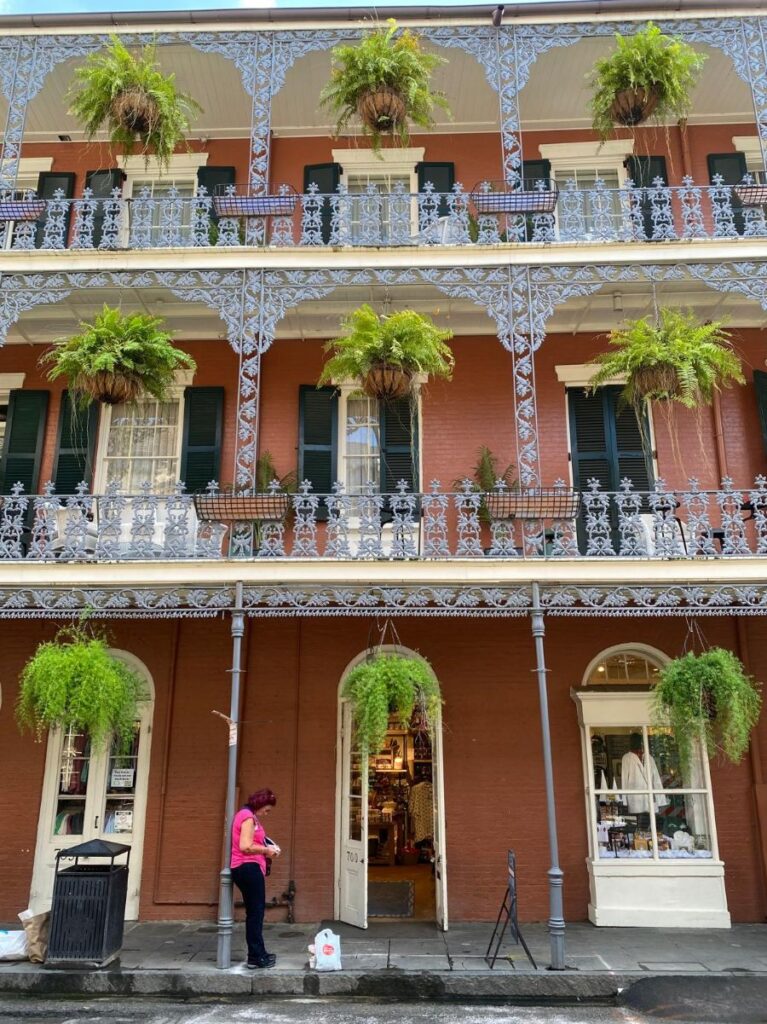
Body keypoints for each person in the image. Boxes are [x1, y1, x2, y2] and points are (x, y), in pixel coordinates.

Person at [230, 788, 281, 969]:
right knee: (255, 913)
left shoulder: (247, 816)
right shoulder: (248, 818)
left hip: (246, 868)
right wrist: (267, 850)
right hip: (248, 867)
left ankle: (259, 953)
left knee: (255, 912)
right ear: (259, 804)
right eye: (266, 810)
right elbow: (245, 846)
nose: (267, 813)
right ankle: (256, 957)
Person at [620, 733, 669, 822]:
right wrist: (625, 801)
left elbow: (656, 778)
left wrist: (660, 798)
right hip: (635, 797)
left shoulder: (648, 757)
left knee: (651, 822)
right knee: (639, 821)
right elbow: (624, 780)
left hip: (649, 795)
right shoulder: (627, 758)